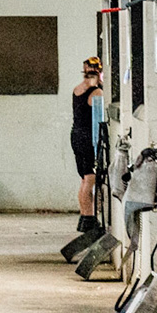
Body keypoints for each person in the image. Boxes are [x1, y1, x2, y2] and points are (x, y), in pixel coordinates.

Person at [61, 56, 106, 262]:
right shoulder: (95, 92)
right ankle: (88, 218)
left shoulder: (76, 89)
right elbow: (98, 114)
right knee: (90, 178)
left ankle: (84, 215)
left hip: (76, 134)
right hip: (88, 137)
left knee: (83, 178)